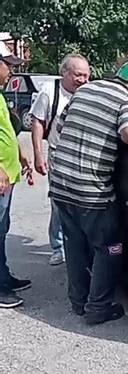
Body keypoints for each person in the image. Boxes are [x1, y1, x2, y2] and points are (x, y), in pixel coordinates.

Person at [50, 60, 128, 324]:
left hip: (61, 185)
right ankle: (98, 307)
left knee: (75, 245)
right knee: (110, 246)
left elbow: (61, 127)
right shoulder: (126, 100)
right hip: (90, 190)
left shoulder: (86, 90)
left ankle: (79, 302)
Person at [30, 54, 90, 266]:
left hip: (83, 156)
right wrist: (38, 154)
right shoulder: (49, 91)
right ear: (64, 73)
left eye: (86, 75)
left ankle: (79, 244)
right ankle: (58, 246)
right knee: (59, 203)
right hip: (58, 155)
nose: (83, 80)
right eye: (78, 75)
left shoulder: (88, 93)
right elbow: (37, 122)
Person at [0, 42, 33, 308]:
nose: (11, 71)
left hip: (7, 176)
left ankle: (4, 277)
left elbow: (6, 132)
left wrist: (21, 156)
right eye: (7, 65)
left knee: (2, 230)